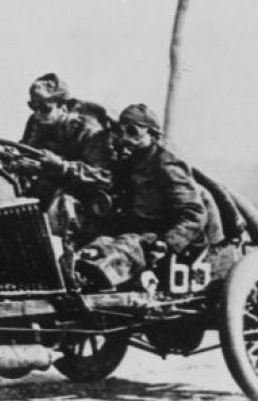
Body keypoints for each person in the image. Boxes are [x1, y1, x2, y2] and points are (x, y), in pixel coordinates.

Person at [76, 103, 223, 289]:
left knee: (125, 248)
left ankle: (91, 280)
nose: (124, 138)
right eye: (121, 131)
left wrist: (167, 243)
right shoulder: (132, 156)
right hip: (141, 227)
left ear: (152, 134)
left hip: (170, 233)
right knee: (95, 242)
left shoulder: (165, 161)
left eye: (133, 132)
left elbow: (194, 213)